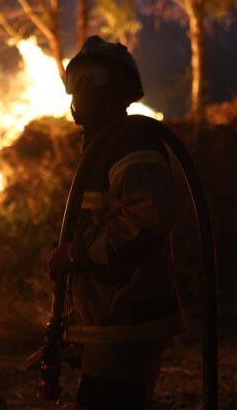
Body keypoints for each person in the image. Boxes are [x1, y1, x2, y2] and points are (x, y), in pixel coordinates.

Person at [48, 36, 183, 409]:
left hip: (130, 319)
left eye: (96, 77)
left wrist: (74, 254)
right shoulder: (104, 144)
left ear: (123, 89)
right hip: (112, 322)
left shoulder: (133, 139)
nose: (84, 90)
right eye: (78, 80)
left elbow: (144, 221)